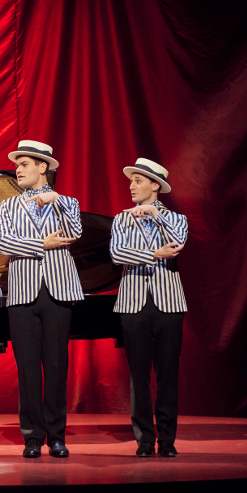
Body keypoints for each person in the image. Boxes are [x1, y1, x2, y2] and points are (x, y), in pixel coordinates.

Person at [0, 140, 83, 459]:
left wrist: (57, 200)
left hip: (58, 288)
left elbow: (75, 232)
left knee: (56, 366)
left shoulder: (67, 203)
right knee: (28, 368)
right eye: (17, 165)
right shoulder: (9, 206)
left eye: (24, 164)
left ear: (42, 167)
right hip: (22, 292)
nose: (18, 170)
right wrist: (40, 245)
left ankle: (57, 436)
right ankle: (32, 436)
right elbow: (4, 242)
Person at [110, 158, 187, 458]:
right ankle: (144, 439)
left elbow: (176, 243)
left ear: (155, 185)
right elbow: (117, 253)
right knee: (138, 375)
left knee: (168, 373)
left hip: (168, 303)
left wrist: (156, 215)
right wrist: (154, 253)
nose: (131, 186)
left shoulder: (177, 219)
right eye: (131, 181)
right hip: (133, 303)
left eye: (138, 181)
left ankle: (167, 440)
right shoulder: (121, 219)